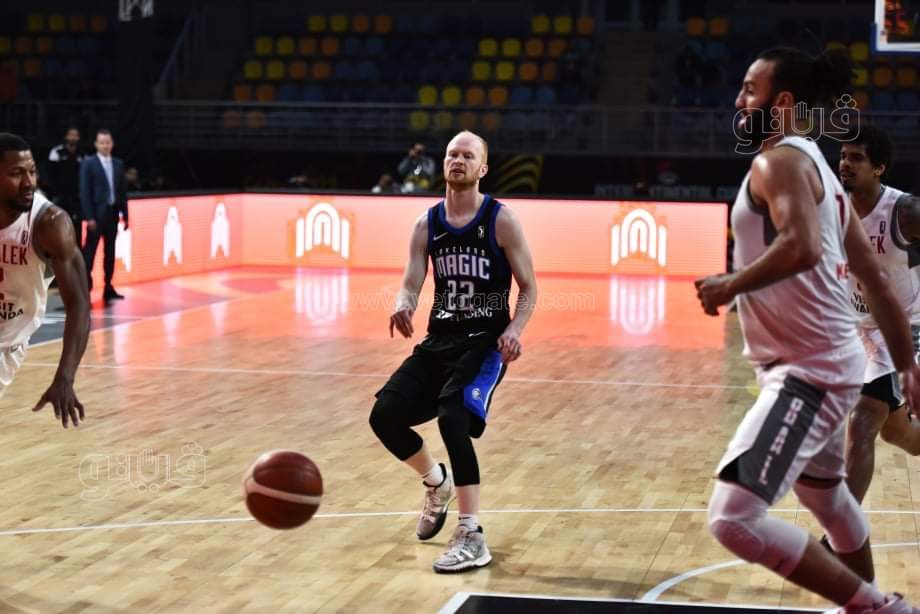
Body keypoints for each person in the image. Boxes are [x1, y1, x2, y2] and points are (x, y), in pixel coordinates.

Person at [695, 48, 920, 613]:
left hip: (809, 370)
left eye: (750, 90)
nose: (739, 100)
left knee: (733, 517)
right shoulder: (819, 167)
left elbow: (800, 246)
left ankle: (877, 607)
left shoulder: (778, 163)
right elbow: (875, 280)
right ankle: (869, 604)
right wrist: (908, 364)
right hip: (829, 359)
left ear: (783, 101)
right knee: (828, 499)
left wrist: (729, 284)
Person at [369, 130, 537, 573]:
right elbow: (412, 280)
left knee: (452, 416)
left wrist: (515, 329)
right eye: (451, 154)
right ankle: (435, 481)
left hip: (483, 343)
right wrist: (403, 304)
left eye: (468, 155)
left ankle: (471, 533)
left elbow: (529, 287)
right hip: (439, 339)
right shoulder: (426, 224)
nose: (457, 160)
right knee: (384, 415)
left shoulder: (501, 220)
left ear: (483, 168)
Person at [838, 124, 920, 506]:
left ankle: (843, 532)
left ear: (879, 168)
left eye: (857, 158)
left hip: (907, 330)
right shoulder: (833, 210)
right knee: (896, 433)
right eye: (843, 156)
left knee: (863, 420)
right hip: (862, 333)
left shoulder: (905, 212)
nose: (846, 164)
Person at [0, 133, 90, 428]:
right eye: (17, 173)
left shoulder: (50, 224)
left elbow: (78, 304)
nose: (29, 182)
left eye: (32, 171)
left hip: (5, 344)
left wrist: (65, 377)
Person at [80, 129, 129, 302]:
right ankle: (85, 289)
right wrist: (89, 217)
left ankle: (108, 286)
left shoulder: (118, 164)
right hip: (96, 215)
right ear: (96, 144)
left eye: (107, 142)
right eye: (102, 142)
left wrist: (126, 215)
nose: (105, 146)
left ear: (112, 144)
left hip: (112, 213)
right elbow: (85, 192)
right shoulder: (89, 164)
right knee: (89, 254)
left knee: (110, 252)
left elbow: (122, 192)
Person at [47, 126, 87, 247]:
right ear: (66, 137)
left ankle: (76, 255)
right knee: (59, 229)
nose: (73, 138)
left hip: (76, 199)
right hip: (60, 198)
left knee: (76, 230)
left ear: (78, 137)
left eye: (75, 135)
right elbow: (50, 175)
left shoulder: (82, 154)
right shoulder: (56, 152)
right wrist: (54, 194)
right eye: (71, 135)